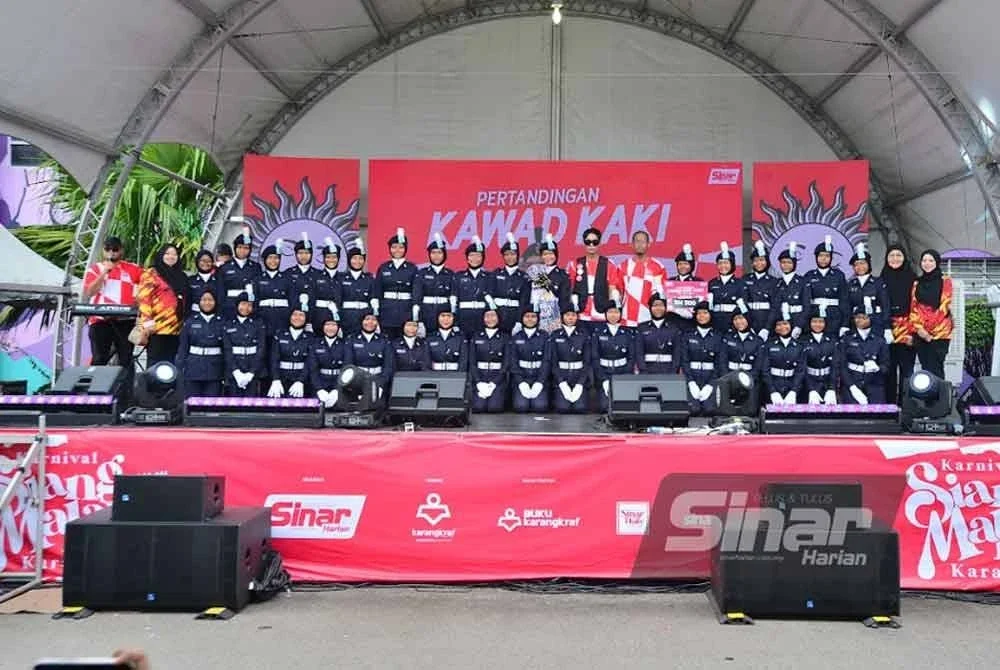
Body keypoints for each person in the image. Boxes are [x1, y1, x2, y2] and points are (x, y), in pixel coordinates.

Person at [81, 235, 143, 371]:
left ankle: (125, 391)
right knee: (99, 358)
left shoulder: (133, 268)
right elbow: (90, 292)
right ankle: (96, 391)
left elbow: (145, 287)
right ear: (103, 250)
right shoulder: (95, 269)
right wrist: (104, 272)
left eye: (115, 249)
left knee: (126, 359)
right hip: (100, 319)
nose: (111, 253)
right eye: (108, 249)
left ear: (121, 250)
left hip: (125, 320)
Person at [137, 243, 188, 365]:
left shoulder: (181, 275)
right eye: (167, 253)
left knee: (173, 366)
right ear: (161, 255)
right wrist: (148, 322)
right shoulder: (151, 274)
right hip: (158, 329)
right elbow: (144, 299)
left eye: (175, 254)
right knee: (156, 366)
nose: (171, 256)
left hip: (178, 330)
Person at [567, 227, 624, 335]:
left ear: (599, 243)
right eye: (588, 242)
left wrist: (611, 313)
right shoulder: (575, 264)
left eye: (595, 242)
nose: (591, 245)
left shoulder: (608, 264)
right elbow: (570, 288)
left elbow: (612, 289)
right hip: (581, 312)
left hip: (601, 312)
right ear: (584, 243)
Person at [909, 249, 953, 379]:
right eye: (924, 260)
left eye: (931, 260)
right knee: (925, 369)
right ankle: (927, 398)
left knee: (937, 369)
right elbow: (913, 307)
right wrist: (920, 330)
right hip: (921, 333)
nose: (927, 263)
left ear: (937, 262)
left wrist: (929, 332)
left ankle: (941, 399)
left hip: (939, 333)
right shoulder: (917, 283)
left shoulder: (945, 281)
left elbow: (944, 306)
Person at [175, 288, 225, 398]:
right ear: (199, 302)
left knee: (211, 406)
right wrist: (180, 368)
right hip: (193, 369)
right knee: (192, 405)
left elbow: (226, 349)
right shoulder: (190, 322)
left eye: (210, 300)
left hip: (214, 370)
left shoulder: (222, 322)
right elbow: (183, 347)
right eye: (204, 300)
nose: (207, 303)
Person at [882, 244, 917, 403]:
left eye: (898, 255)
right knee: (888, 369)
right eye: (891, 256)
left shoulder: (913, 279)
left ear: (904, 258)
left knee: (907, 370)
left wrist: (912, 332)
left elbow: (917, 308)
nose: (895, 259)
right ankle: (889, 405)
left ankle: (906, 406)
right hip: (887, 329)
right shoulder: (882, 278)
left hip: (907, 329)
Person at [678, 301, 725, 416]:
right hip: (692, 376)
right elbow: (684, 360)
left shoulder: (718, 337)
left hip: (710, 378)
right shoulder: (687, 335)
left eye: (705, 313)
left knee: (710, 410)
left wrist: (711, 385)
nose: (702, 316)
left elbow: (720, 363)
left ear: (711, 315)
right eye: (699, 313)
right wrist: (690, 382)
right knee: (693, 409)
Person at [375, 227, 419, 340]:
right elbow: (377, 292)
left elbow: (416, 291)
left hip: (406, 311)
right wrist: (376, 313)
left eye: (401, 247)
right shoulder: (383, 268)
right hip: (387, 312)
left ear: (405, 249)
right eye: (394, 247)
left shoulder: (412, 268)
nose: (397, 250)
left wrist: (414, 314)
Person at [840, 306, 889, 404]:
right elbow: (842, 365)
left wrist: (878, 368)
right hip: (853, 381)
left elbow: (886, 364)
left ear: (870, 318)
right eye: (857, 317)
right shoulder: (847, 338)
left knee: (878, 413)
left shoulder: (879, 340)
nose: (860, 320)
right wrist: (852, 387)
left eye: (864, 317)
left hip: (873, 382)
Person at [591, 300, 634, 413]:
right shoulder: (598, 333)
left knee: (623, 407)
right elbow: (595, 358)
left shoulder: (627, 333)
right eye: (610, 312)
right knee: (604, 407)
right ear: (605, 314)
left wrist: (624, 376)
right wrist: (603, 379)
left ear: (620, 314)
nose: (613, 315)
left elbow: (631, 358)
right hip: (604, 373)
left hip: (622, 372)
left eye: (616, 312)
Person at [547, 304, 591, 413]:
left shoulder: (584, 335)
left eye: (573, 315)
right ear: (562, 317)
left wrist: (580, 384)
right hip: (562, 375)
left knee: (580, 408)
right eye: (567, 315)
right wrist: (561, 383)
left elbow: (587, 362)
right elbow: (553, 362)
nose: (570, 318)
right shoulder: (555, 335)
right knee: (563, 408)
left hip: (578, 375)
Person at [618, 230, 667, 328]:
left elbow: (661, 295)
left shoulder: (658, 267)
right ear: (631, 244)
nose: (640, 244)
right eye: (637, 241)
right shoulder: (622, 266)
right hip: (625, 320)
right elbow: (619, 293)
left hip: (648, 319)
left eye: (643, 242)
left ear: (648, 244)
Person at [267, 298, 314, 399]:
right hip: (282, 378)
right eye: (295, 314)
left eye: (301, 315)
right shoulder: (280, 335)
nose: (297, 318)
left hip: (301, 379)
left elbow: (310, 362)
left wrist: (301, 381)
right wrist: (275, 379)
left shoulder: (311, 338)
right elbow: (274, 359)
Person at [803, 235, 849, 337]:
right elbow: (805, 302)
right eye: (821, 256)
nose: (823, 259)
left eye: (827, 256)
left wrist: (845, 323)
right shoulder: (809, 275)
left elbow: (844, 300)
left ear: (831, 258)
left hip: (834, 317)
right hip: (815, 318)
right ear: (816, 257)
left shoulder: (839, 275)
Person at [223, 292, 266, 397]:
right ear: (237, 305)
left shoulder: (258, 324)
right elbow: (227, 350)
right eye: (243, 304)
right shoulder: (228, 324)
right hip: (234, 372)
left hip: (252, 371)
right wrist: (236, 372)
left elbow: (261, 349)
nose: (246, 307)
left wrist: (251, 373)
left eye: (249, 305)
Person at [508, 303, 550, 412]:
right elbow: (513, 362)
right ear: (522, 318)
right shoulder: (516, 337)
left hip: (538, 377)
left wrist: (540, 382)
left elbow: (547, 361)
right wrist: (521, 382)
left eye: (533, 316)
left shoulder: (545, 337)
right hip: (522, 377)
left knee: (540, 407)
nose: (530, 319)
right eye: (527, 316)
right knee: (521, 407)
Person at [526, 234, 571, 333]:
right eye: (545, 254)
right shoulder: (534, 270)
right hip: (533, 314)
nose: (548, 257)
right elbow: (526, 294)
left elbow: (564, 298)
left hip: (553, 317)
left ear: (556, 255)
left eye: (551, 254)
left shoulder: (563, 275)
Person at [487, 233, 531, 335]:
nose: (510, 257)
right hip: (497, 316)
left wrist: (519, 322)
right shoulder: (496, 274)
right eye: (507, 254)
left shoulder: (524, 277)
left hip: (514, 316)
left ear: (517, 256)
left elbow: (524, 301)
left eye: (513, 254)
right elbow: (489, 295)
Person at [345, 313, 394, 400]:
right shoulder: (352, 339)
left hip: (377, 378)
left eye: (373, 319)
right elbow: (348, 363)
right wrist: (355, 383)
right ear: (361, 322)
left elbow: (388, 365)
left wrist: (381, 384)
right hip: (357, 380)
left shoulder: (384, 340)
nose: (370, 322)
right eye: (367, 319)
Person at [413, 233, 454, 337]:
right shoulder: (422, 273)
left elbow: (454, 298)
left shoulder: (450, 274)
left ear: (444, 254)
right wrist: (418, 320)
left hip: (444, 314)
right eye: (433, 253)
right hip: (427, 312)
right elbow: (417, 297)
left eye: (439, 253)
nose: (436, 256)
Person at [761, 308, 804, 405]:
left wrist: (794, 391)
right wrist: (772, 391)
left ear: (791, 326)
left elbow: (800, 371)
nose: (782, 327)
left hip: (792, 387)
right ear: (775, 328)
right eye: (779, 325)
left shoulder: (799, 346)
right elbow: (765, 371)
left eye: (785, 324)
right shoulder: (768, 345)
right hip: (772, 387)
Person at [846, 242, 890, 338]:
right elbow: (847, 307)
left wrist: (887, 327)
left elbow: (885, 305)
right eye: (856, 264)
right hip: (856, 325)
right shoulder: (850, 284)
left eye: (862, 263)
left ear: (868, 264)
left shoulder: (878, 282)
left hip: (876, 324)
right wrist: (845, 326)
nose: (859, 267)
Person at [469, 309, 509, 413]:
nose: (490, 319)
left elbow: (506, 363)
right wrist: (478, 382)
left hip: (497, 377)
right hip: (480, 376)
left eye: (493, 316)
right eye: (487, 316)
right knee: (478, 407)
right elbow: (472, 362)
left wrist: (494, 383)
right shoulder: (476, 336)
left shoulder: (505, 337)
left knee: (494, 408)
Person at [216, 229, 260, 318]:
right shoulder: (224, 268)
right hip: (229, 307)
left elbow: (257, 290)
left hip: (248, 307)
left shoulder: (256, 267)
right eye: (240, 247)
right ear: (235, 248)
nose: (242, 250)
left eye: (246, 248)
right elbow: (220, 292)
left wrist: (254, 306)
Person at [800, 306, 839, 404]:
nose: (817, 324)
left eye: (821, 321)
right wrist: (811, 389)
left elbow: (835, 366)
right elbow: (802, 368)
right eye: (814, 321)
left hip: (827, 382)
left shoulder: (833, 341)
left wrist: (832, 388)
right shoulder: (802, 341)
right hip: (808, 383)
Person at [452, 236, 491, 335]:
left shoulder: (489, 277)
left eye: (478, 256)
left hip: (483, 319)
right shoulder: (458, 276)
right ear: (467, 258)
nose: (475, 259)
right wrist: (455, 322)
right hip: (463, 318)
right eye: (471, 255)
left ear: (483, 258)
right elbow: (454, 301)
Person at [339, 239, 378, 336]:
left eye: (360, 258)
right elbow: (338, 300)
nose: (357, 261)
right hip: (346, 318)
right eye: (354, 258)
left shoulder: (369, 279)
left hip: (364, 319)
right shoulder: (341, 278)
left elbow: (373, 299)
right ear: (349, 260)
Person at [635, 293, 681, 374]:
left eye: (661, 305)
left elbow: (677, 354)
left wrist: (673, 372)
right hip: (647, 372)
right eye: (655, 305)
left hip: (669, 372)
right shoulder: (642, 328)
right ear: (650, 308)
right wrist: (644, 371)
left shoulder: (674, 329)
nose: (658, 308)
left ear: (666, 308)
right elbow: (639, 353)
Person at [283, 233, 321, 326]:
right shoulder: (288, 273)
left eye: (307, 253)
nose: (303, 256)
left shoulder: (319, 274)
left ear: (311, 254)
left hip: (314, 321)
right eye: (300, 253)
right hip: (292, 321)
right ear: (295, 254)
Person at [255, 238, 292, 337]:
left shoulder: (287, 278)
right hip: (263, 320)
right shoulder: (257, 279)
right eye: (270, 258)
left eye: (276, 258)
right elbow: (254, 301)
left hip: (282, 321)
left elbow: (292, 300)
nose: (273, 261)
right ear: (264, 260)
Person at [309, 317, 348, 409]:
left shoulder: (345, 345)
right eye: (327, 325)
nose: (330, 328)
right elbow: (313, 369)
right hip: (321, 382)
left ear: (338, 328)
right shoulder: (315, 344)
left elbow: (346, 367)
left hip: (340, 382)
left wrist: (337, 389)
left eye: (333, 325)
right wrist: (319, 389)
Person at [771, 242, 808, 339]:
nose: (786, 265)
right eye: (783, 262)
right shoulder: (776, 283)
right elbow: (774, 308)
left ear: (794, 264)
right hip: (781, 324)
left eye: (789, 262)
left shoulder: (803, 282)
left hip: (798, 321)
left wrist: (799, 326)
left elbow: (807, 307)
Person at [744, 241, 777, 341]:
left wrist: (767, 328)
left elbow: (775, 307)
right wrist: (748, 326)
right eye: (756, 260)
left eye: (762, 260)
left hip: (767, 322)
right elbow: (743, 304)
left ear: (767, 262)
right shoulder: (745, 280)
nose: (759, 263)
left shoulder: (774, 282)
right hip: (749, 322)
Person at [667, 243, 703, 332]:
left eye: (686, 264)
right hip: (672, 323)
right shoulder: (670, 282)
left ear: (691, 265)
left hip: (691, 324)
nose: (682, 266)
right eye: (680, 264)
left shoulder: (699, 282)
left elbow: (701, 304)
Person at [707, 242, 748, 320]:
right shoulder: (712, 283)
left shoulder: (740, 283)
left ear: (732, 264)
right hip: (715, 322)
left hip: (734, 322)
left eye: (726, 263)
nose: (723, 266)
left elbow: (744, 307)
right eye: (720, 263)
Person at [721, 307, 763, 380]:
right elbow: (722, 361)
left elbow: (758, 366)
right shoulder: (727, 338)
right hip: (729, 378)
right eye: (735, 319)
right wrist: (727, 378)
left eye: (741, 318)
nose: (738, 321)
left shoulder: (758, 341)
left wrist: (749, 380)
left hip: (749, 379)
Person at [312, 239, 343, 334]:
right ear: (324, 259)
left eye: (334, 257)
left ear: (338, 259)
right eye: (328, 257)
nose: (331, 260)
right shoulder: (316, 276)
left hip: (338, 319)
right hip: (319, 318)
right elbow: (311, 299)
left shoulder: (343, 277)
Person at [187, 250, 216, 314]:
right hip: (194, 315)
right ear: (197, 262)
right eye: (202, 261)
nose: (206, 263)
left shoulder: (218, 280)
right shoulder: (190, 280)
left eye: (208, 261)